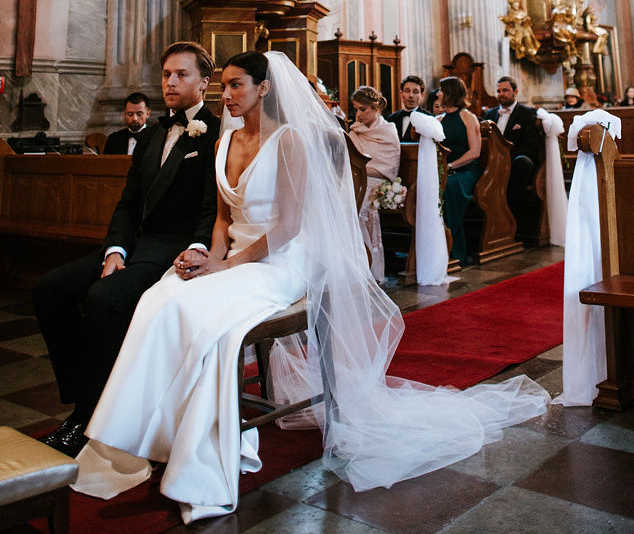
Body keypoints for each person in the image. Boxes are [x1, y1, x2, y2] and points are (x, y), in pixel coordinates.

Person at [73, 52, 547, 522]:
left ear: (264, 88)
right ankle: (147, 441)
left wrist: (230, 265)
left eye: (237, 85)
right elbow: (221, 218)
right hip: (235, 256)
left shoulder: (290, 141)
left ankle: (199, 453)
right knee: (159, 298)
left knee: (196, 315)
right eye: (225, 85)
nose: (227, 95)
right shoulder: (223, 142)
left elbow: (287, 227)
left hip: (280, 261)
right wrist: (209, 258)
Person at [33, 42, 219, 456]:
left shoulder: (217, 134)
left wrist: (197, 247)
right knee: (50, 289)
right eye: (166, 74)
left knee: (104, 299)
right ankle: (83, 392)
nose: (170, 82)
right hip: (132, 246)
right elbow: (128, 202)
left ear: (204, 83)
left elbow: (213, 206)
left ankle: (88, 418)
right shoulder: (151, 132)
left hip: (171, 250)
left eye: (181, 75)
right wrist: (114, 250)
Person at [347, 85, 400, 282]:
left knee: (360, 202)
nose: (358, 115)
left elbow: (388, 168)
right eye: (356, 109)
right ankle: (348, 265)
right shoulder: (355, 131)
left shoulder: (388, 131)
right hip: (356, 178)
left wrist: (358, 169)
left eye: (363, 109)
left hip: (378, 181)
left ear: (375, 107)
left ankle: (368, 267)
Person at [484, 76, 544, 244]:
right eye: (498, 91)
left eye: (505, 90)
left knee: (523, 163)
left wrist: (504, 158)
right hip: (493, 163)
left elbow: (530, 146)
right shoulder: (489, 114)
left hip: (515, 162)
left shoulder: (527, 113)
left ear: (515, 92)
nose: (501, 94)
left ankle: (511, 221)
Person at [439, 75, 483, 265]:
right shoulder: (439, 118)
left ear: (450, 92)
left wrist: (451, 166)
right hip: (445, 170)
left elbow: (475, 151)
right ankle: (442, 248)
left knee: (451, 187)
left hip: (467, 171)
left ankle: (454, 251)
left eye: (442, 90)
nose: (438, 94)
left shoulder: (468, 117)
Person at [386, 74, 432, 141]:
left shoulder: (429, 119)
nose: (411, 95)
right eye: (407, 91)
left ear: (422, 96)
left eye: (415, 92)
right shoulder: (391, 118)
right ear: (401, 94)